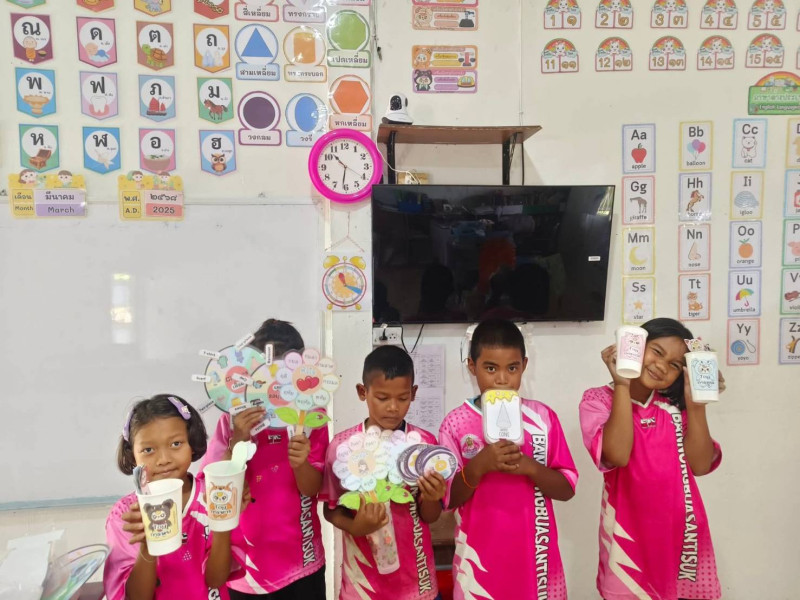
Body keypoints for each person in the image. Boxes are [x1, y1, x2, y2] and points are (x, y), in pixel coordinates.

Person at [579, 318, 724, 600]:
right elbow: (618, 455)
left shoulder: (673, 408)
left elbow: (700, 464)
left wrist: (696, 406)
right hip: (626, 540)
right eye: (657, 352)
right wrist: (622, 384)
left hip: (681, 536)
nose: (661, 366)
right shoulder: (598, 400)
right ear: (635, 344)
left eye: (674, 365)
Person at [439, 318, 577, 599]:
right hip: (478, 565)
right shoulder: (455, 424)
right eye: (491, 368)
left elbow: (566, 489)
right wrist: (480, 465)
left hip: (536, 561)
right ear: (472, 366)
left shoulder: (543, 418)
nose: (502, 379)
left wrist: (530, 468)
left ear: (524, 366)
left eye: (512, 368)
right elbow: (449, 499)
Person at [203, 319, 328, 599]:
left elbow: (312, 489)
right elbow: (216, 492)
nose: (273, 385)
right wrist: (238, 439)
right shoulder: (233, 420)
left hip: (302, 562)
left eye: (283, 375)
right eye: (265, 374)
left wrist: (301, 464)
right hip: (246, 570)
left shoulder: (310, 418)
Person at [320, 345, 444, 600]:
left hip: (417, 585)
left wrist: (432, 496)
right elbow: (331, 509)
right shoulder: (342, 448)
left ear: (413, 393)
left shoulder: (424, 445)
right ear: (362, 392)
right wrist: (356, 526)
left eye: (402, 398)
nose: (393, 407)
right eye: (383, 398)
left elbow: (430, 516)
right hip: (361, 587)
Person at [104, 394, 243, 600]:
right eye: (148, 450)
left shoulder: (212, 494)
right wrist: (147, 546)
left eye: (176, 444)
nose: (163, 459)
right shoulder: (127, 515)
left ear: (192, 443)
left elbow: (216, 580)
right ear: (132, 455)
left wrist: (222, 522)